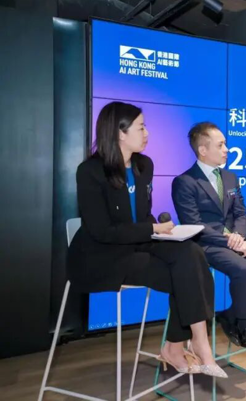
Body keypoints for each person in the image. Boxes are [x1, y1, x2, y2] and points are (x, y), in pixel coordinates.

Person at [67, 102, 225, 377]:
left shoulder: (144, 165)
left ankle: (195, 342)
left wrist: (161, 230)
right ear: (120, 133)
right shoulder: (90, 171)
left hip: (138, 243)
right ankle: (181, 345)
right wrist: (152, 229)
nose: (147, 133)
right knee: (185, 275)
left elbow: (142, 215)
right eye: (140, 127)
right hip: (101, 256)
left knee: (192, 254)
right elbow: (102, 231)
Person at [172, 122, 246, 350]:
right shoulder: (185, 182)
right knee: (241, 267)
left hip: (236, 239)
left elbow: (241, 213)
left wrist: (239, 237)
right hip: (206, 244)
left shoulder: (230, 177)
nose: (226, 149)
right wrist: (230, 241)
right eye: (220, 145)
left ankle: (232, 314)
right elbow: (194, 224)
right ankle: (243, 323)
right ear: (203, 150)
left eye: (225, 144)